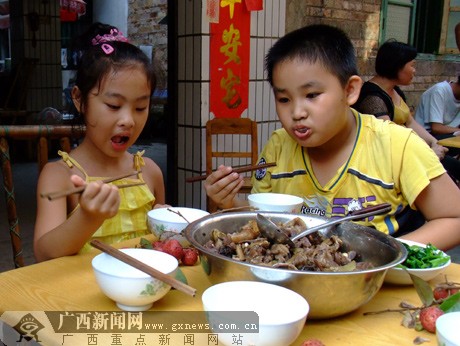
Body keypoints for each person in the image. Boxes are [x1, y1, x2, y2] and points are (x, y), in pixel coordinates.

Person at [204, 24, 460, 251]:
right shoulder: (279, 147)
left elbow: (454, 218)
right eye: (284, 99)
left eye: (312, 95)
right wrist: (229, 203)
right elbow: (264, 222)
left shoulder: (397, 145)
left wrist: (390, 255)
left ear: (350, 90)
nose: (297, 112)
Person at [34, 23, 166, 261]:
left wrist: (169, 224)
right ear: (79, 99)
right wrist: (88, 217)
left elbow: (162, 251)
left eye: (140, 107)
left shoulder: (149, 173)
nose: (128, 120)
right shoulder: (59, 175)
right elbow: (43, 254)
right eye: (113, 106)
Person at [353, 40, 460, 182]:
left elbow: (410, 122)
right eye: (412, 66)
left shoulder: (394, 90)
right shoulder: (372, 97)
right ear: (397, 65)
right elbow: (388, 139)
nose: (415, 71)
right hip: (390, 161)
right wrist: (427, 152)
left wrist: (435, 143)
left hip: (408, 150)